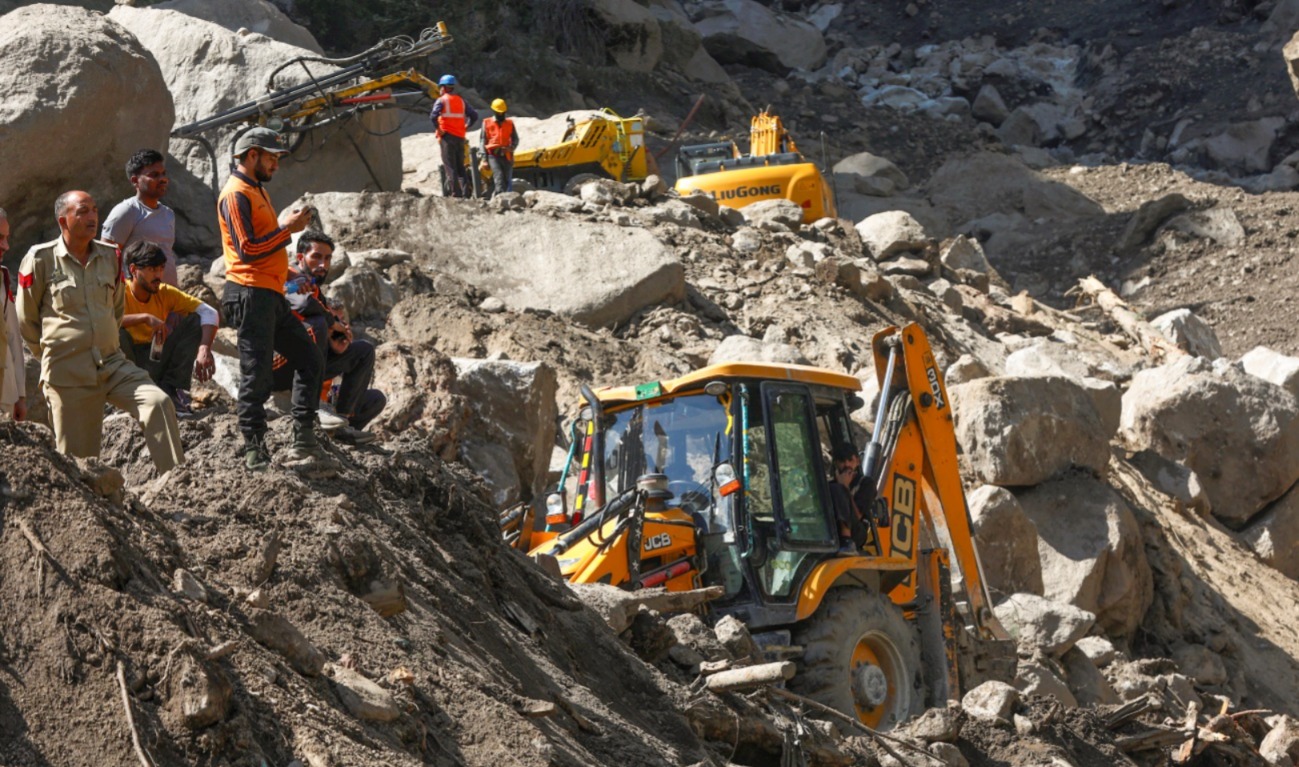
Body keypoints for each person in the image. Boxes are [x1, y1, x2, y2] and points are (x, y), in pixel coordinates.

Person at [16, 191, 183, 472]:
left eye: (94, 209)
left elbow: (116, 309)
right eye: (82, 211)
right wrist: (53, 353)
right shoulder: (41, 259)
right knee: (81, 463)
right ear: (63, 220)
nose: (92, 216)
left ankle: (177, 483)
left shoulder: (110, 257)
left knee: (158, 403)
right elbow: (26, 319)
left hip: (111, 362)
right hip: (67, 372)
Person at [218, 127, 325, 471]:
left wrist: (291, 276)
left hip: (268, 293)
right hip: (249, 295)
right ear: (252, 155)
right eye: (271, 157)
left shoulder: (255, 190)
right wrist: (288, 231)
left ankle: (304, 438)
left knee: (309, 358)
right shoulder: (235, 194)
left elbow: (262, 249)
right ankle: (255, 449)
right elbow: (247, 251)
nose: (276, 164)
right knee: (256, 374)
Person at [271, 230, 385, 444]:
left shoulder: (316, 290)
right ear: (300, 258)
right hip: (277, 361)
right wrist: (331, 323)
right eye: (316, 257)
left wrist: (336, 345)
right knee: (317, 324)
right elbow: (302, 304)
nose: (323, 264)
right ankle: (312, 409)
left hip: (306, 361)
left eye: (327, 258)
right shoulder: (291, 277)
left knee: (363, 351)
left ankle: (343, 422)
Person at [118, 241, 218, 416]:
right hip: (129, 363)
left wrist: (204, 349)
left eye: (161, 269)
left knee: (194, 320)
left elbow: (208, 312)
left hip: (155, 358)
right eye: (152, 270)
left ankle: (169, 389)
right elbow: (100, 323)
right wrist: (144, 318)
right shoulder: (118, 293)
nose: (158, 275)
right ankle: (128, 396)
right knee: (116, 332)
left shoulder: (165, 292)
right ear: (133, 270)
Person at [102, 148, 179, 287]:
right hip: (137, 301)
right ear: (135, 181)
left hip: (168, 299)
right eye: (154, 175)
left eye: (163, 174)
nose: (163, 179)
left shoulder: (168, 214)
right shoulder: (126, 211)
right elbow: (106, 258)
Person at [430, 74, 478, 198]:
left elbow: (433, 116)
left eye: (441, 87)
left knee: (450, 167)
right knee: (460, 166)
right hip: (460, 137)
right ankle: (466, 193)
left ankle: (455, 194)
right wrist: (467, 126)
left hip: (447, 137)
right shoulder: (462, 101)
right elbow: (474, 116)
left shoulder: (442, 100)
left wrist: (439, 129)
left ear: (444, 87)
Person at [0, 207, 28, 420]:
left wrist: (20, 395)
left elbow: (12, 336)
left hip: (5, 394)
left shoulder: (3, 278)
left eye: (6, 238)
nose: (5, 246)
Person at [829, 444, 870, 553]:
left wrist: (845, 487)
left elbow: (858, 515)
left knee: (837, 489)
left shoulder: (866, 483)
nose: (847, 464)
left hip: (857, 532)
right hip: (831, 529)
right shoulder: (830, 485)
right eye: (842, 461)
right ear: (836, 463)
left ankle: (846, 541)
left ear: (857, 461)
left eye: (850, 460)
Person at [480, 98, 520, 196]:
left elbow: (515, 139)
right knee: (499, 179)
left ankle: (503, 200)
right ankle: (500, 202)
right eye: (499, 112)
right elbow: (482, 141)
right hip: (493, 155)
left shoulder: (509, 123)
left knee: (506, 181)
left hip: (506, 155)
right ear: (494, 111)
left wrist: (512, 147)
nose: (501, 114)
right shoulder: (486, 123)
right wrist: (484, 159)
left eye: (503, 112)